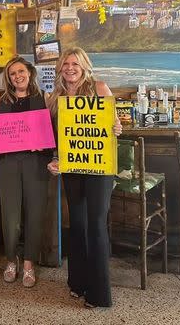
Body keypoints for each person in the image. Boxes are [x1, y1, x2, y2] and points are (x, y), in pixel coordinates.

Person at [45, 47, 122, 308]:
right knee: (77, 223)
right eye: (65, 63)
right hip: (73, 166)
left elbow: (114, 126)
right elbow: (54, 139)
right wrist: (55, 160)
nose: (70, 68)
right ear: (60, 68)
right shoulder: (55, 97)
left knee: (96, 223)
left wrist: (117, 126)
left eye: (75, 64)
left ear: (84, 66)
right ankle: (77, 282)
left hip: (100, 167)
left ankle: (100, 294)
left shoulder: (100, 88)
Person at [0, 57, 51, 287]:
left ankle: (28, 263)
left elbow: (53, 131)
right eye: (12, 74)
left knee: (35, 213)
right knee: (10, 217)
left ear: (30, 72)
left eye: (20, 71)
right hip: (8, 162)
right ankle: (11, 259)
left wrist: (45, 144)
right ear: (8, 79)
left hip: (35, 161)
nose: (17, 76)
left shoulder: (44, 98)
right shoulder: (3, 99)